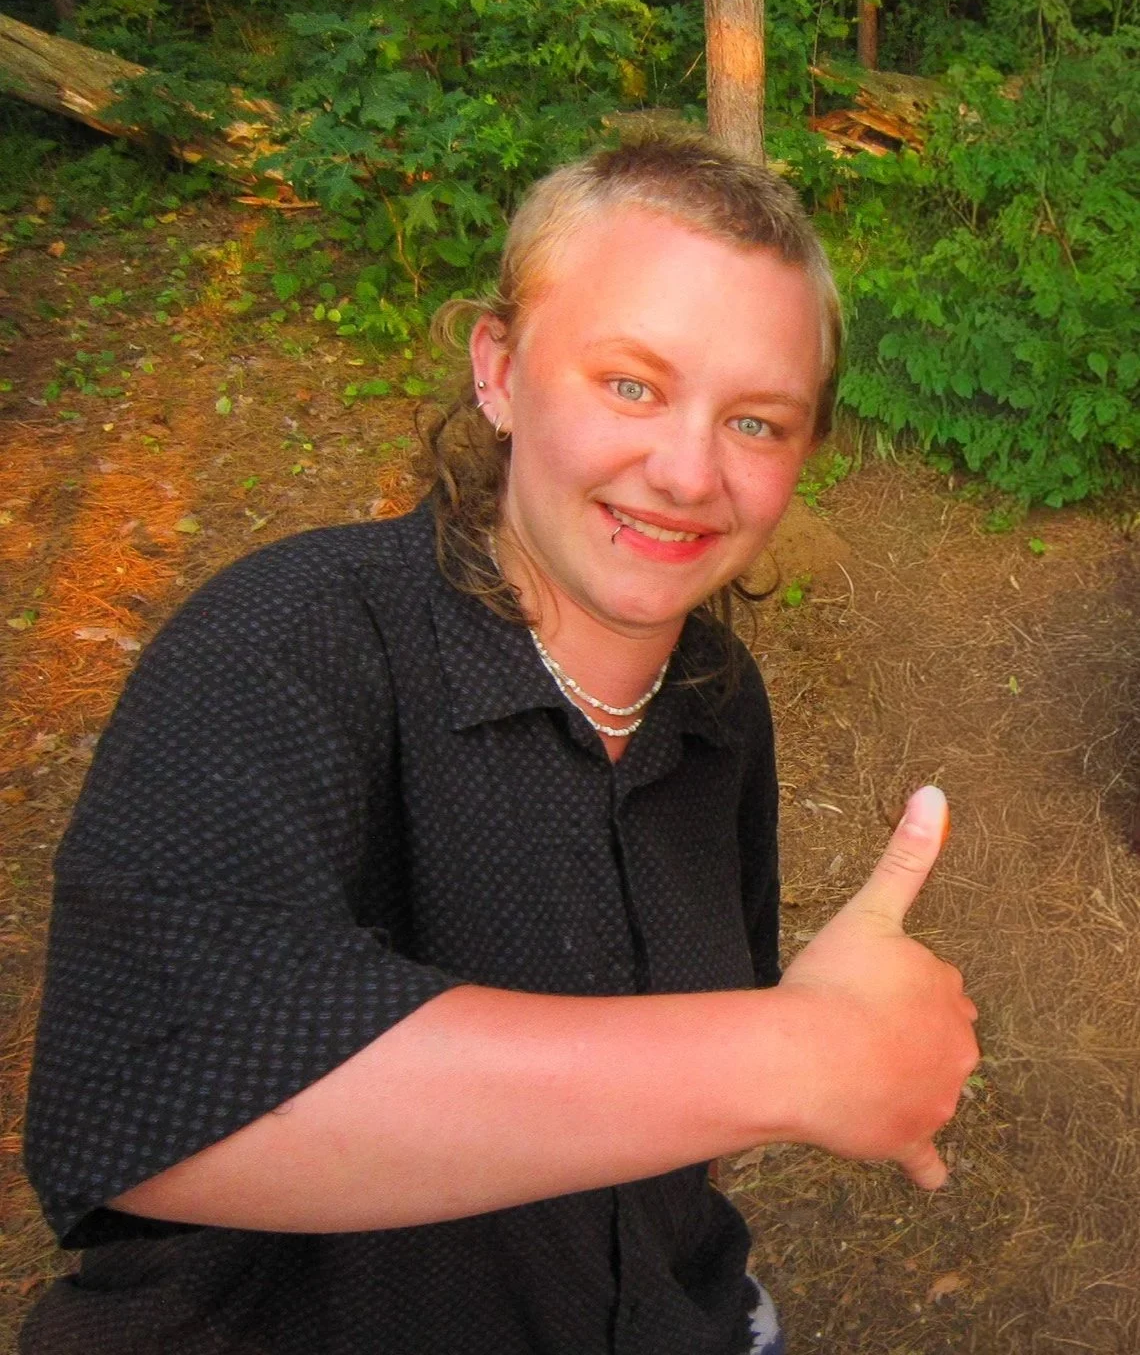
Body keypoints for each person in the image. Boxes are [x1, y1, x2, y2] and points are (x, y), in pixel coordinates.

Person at [20, 132, 978, 1355]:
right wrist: (796, 1056)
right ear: (500, 371)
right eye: (630, 384)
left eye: (757, 420)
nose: (687, 471)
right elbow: (153, 1096)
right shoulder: (289, 640)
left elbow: (687, 1090)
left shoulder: (716, 702)